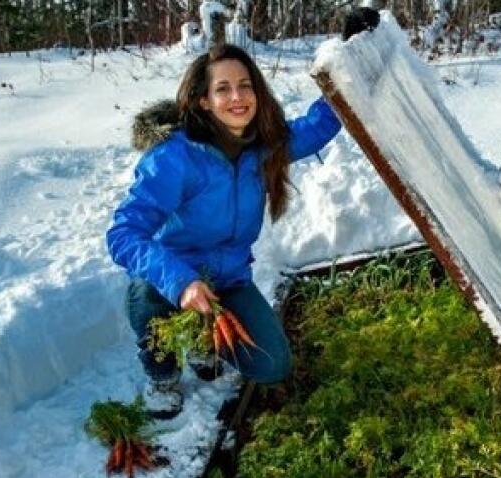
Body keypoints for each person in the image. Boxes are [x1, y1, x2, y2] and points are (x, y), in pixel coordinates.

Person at [106, 43, 342, 419]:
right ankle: (162, 371)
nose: (237, 97)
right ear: (203, 101)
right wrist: (181, 283)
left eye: (245, 85)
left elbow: (317, 127)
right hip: (173, 283)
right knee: (148, 291)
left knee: (272, 365)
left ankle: (206, 338)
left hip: (228, 281)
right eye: (223, 88)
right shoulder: (174, 158)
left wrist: (345, 58)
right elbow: (123, 234)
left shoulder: (262, 147)